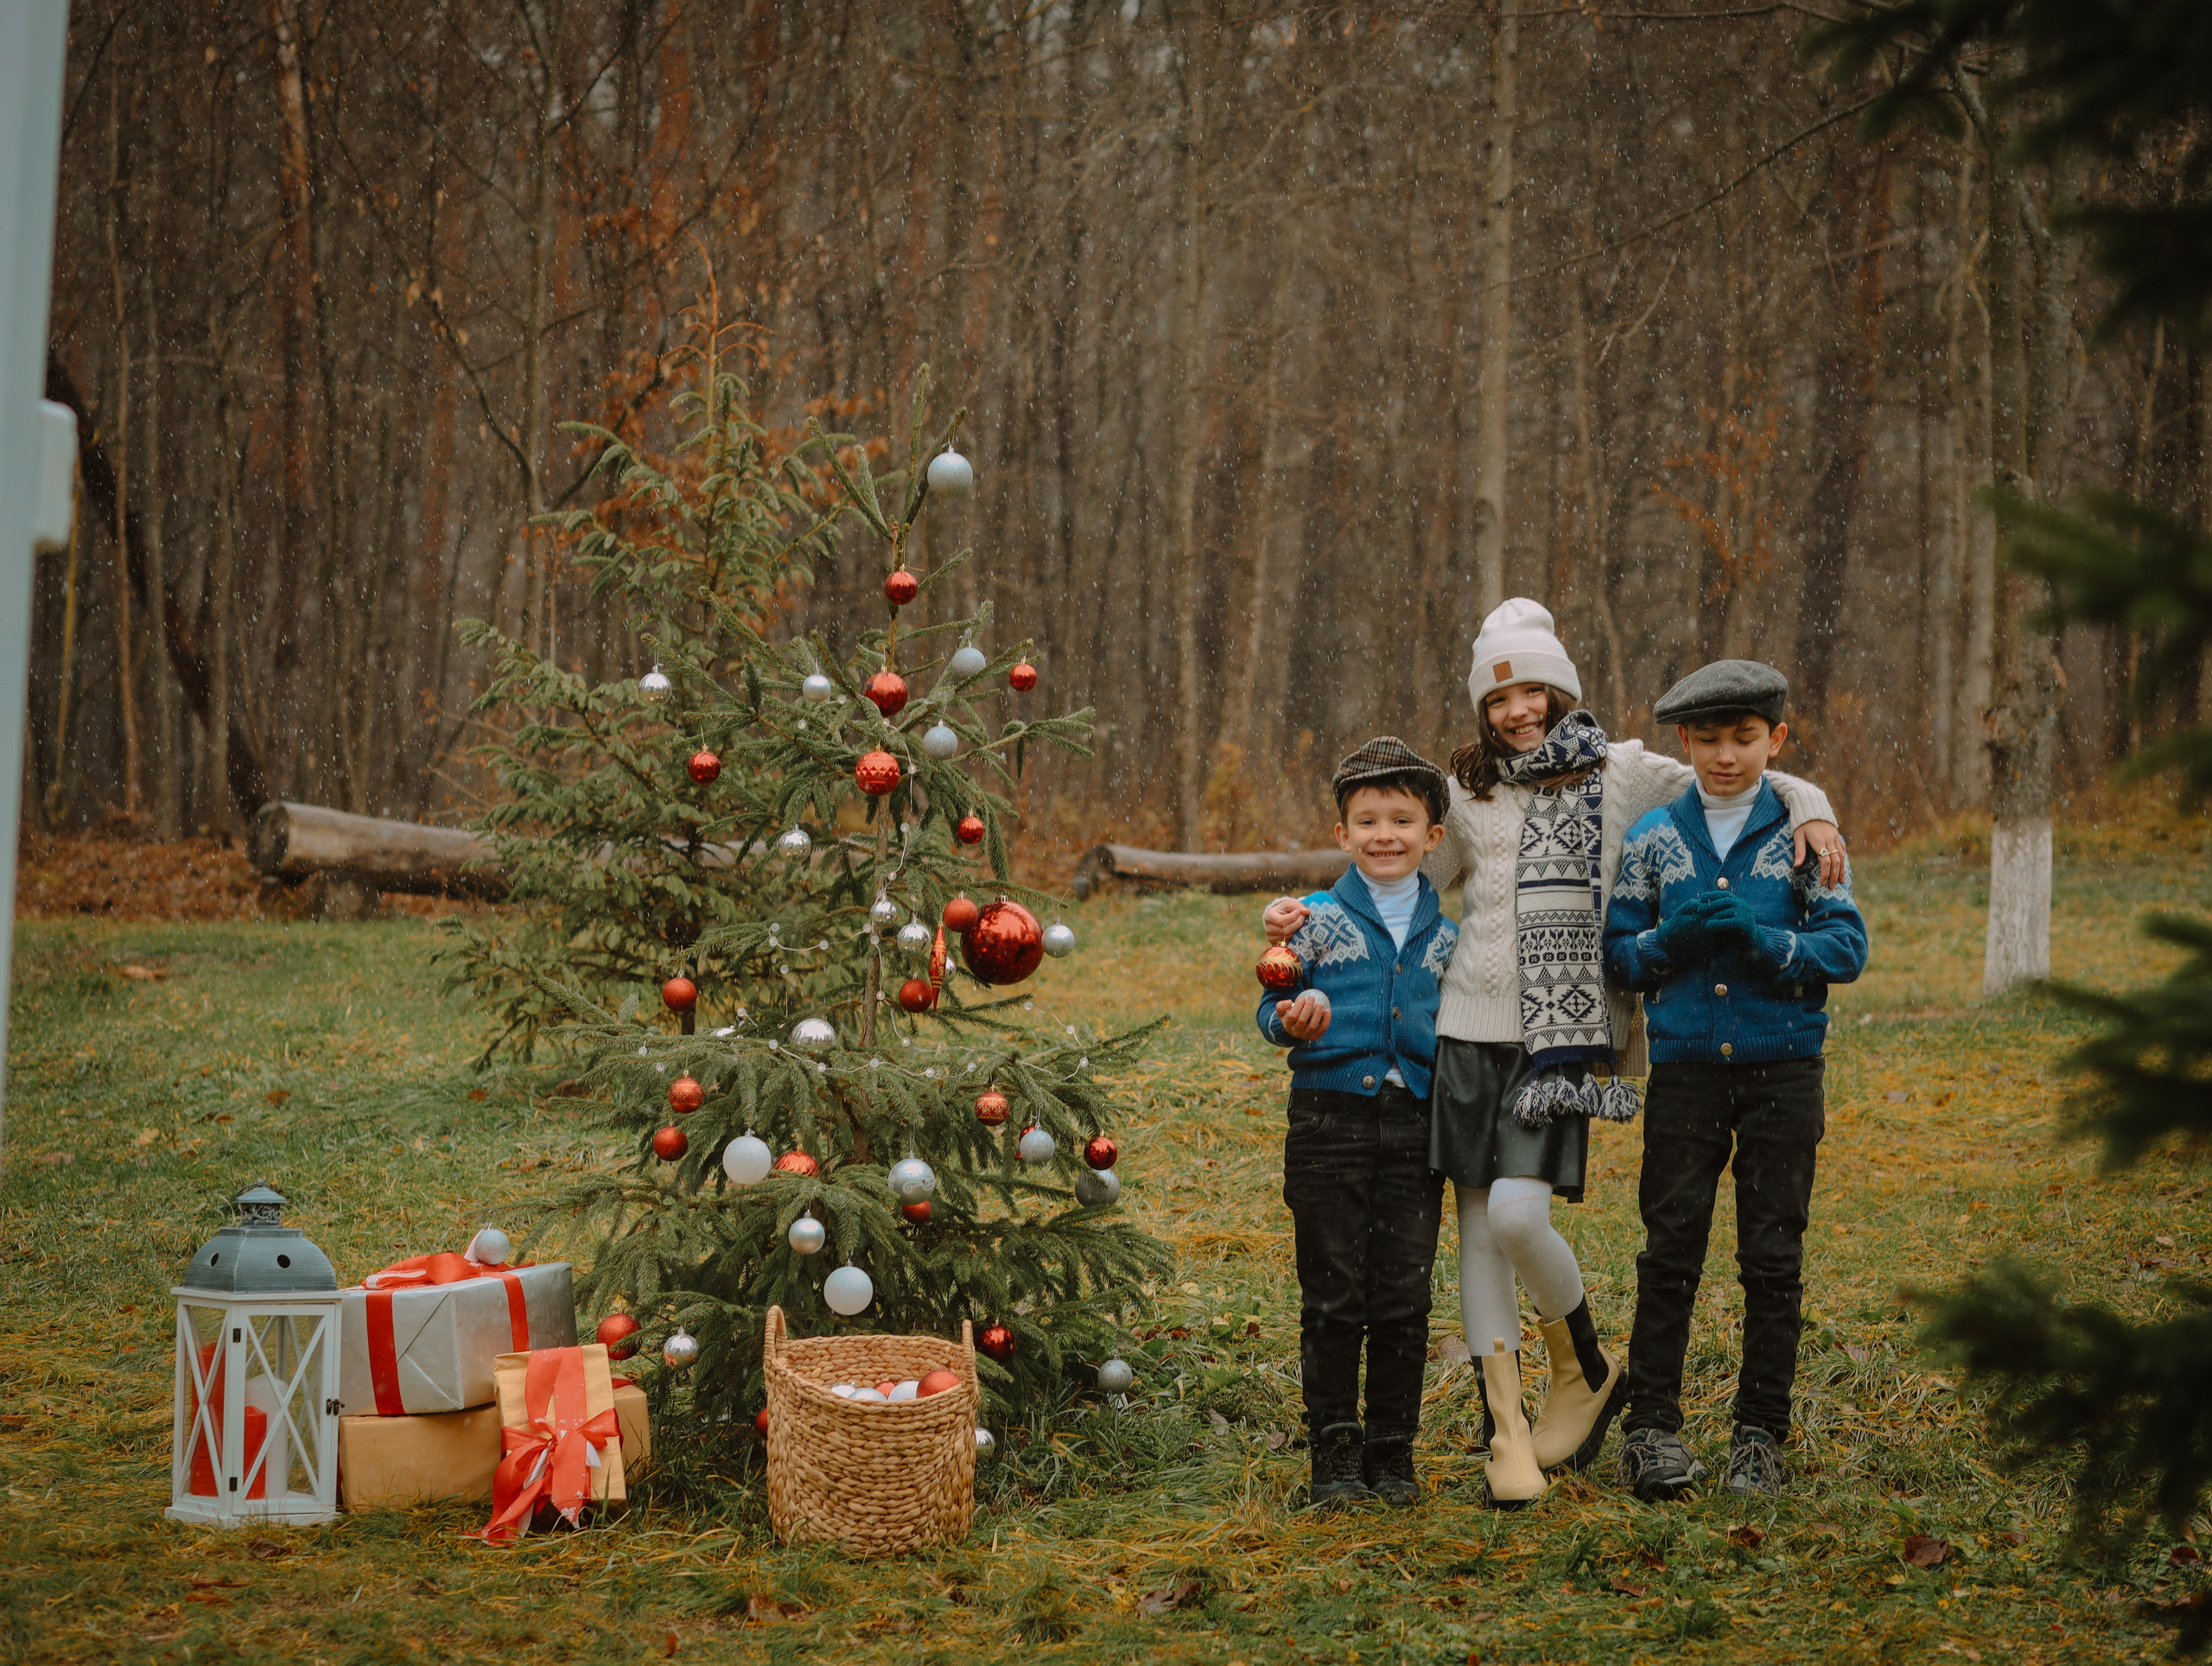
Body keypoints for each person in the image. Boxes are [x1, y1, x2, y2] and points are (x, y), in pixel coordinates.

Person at [1264, 600, 1846, 1509]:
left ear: (1561, 688)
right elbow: (1399, 863)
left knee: (1518, 1218)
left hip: (1562, 1035)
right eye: (1500, 697)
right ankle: (1506, 1429)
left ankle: (1581, 1365)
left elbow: (1730, 775)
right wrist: (1307, 919)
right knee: (1474, 1235)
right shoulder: (1466, 791)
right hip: (1462, 1028)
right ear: (1481, 709)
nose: (1517, 710)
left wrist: (1813, 809)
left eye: (1533, 688)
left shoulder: (1619, 774)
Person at [1602, 660, 1868, 1499]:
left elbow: (1845, 947)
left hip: (1782, 1071)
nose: (1726, 755)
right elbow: (1618, 951)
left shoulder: (1802, 835)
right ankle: (1651, 1430)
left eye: (1745, 738)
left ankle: (1759, 1434)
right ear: (1685, 741)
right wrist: (1668, 942)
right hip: (1684, 1076)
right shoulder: (1654, 838)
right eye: (1709, 739)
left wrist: (1768, 942)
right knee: (1669, 1248)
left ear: (1776, 740)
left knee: (1770, 1254)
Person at [1256, 737, 1458, 1510]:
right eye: (1367, 820)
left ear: (1431, 837)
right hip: (1328, 1121)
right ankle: (1334, 1454)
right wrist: (1293, 1024)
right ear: (1341, 834)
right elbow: (1270, 1006)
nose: (1385, 835)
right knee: (1335, 1293)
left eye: (1402, 820)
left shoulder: (1447, 936)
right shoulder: (1312, 921)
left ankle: (1392, 1452)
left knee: (1404, 1296)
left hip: (1415, 1128)